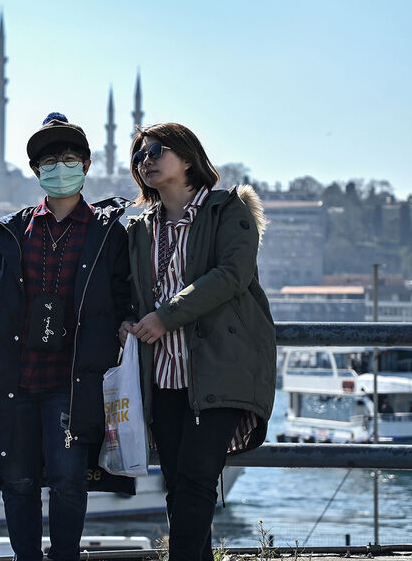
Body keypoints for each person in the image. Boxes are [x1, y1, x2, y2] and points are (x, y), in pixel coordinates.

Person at [0, 113, 137, 561]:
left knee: (68, 479)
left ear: (85, 166)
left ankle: (64, 556)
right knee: (19, 480)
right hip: (15, 379)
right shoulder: (11, 231)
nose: (59, 168)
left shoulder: (108, 234)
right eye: (50, 161)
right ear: (36, 171)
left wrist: (124, 321)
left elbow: (125, 292)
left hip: (72, 381)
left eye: (69, 159)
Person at [120, 122, 276, 561]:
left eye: (155, 150)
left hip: (217, 370)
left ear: (188, 158)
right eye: (138, 155)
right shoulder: (141, 228)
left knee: (195, 479)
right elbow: (134, 293)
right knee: (179, 484)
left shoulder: (228, 210)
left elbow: (231, 275)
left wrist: (165, 318)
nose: (145, 160)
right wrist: (129, 321)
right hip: (164, 374)